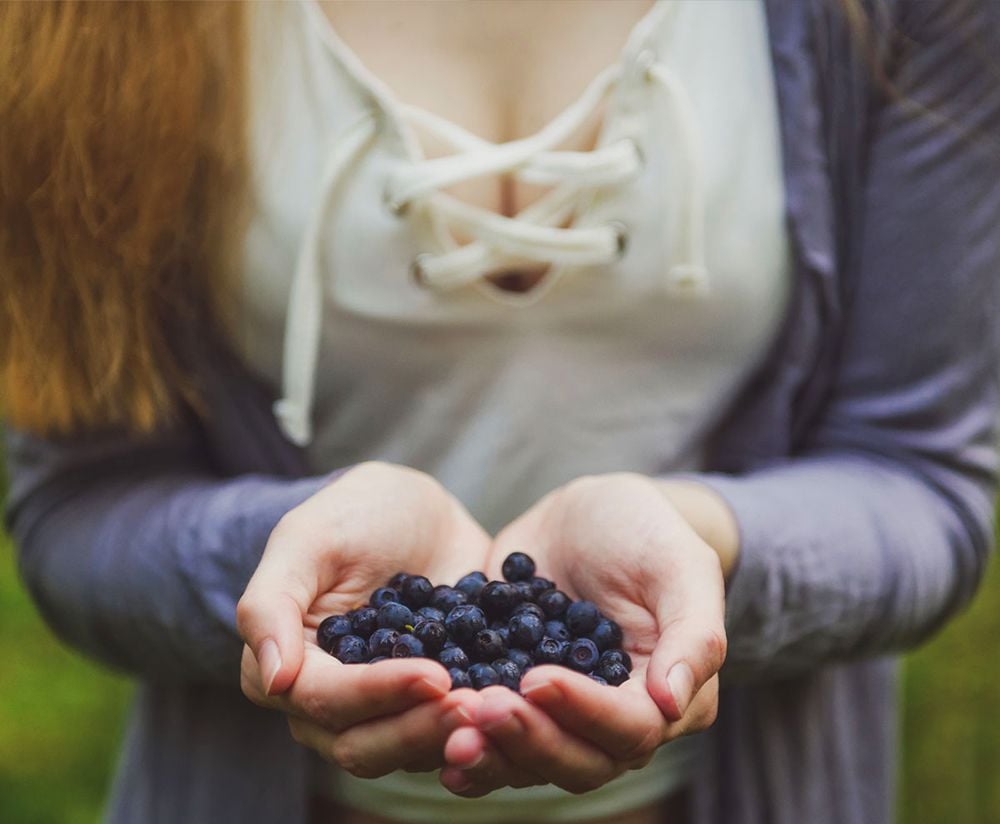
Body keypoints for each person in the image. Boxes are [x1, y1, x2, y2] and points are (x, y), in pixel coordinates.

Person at [2, 1, 998, 823]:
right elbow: (78, 506)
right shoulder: (79, 27)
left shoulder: (899, 18)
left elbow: (918, 479)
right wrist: (277, 562)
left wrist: (705, 541)